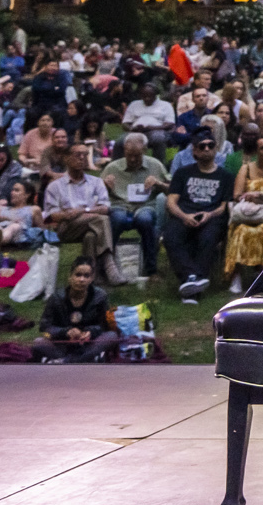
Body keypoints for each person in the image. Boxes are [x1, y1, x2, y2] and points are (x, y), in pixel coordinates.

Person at [164, 135, 232, 299]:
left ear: (216, 149)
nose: (207, 149)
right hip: (184, 214)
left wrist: (209, 214)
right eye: (202, 146)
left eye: (210, 145)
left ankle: (192, 287)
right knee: (170, 237)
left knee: (208, 238)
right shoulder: (182, 173)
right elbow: (171, 202)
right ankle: (192, 277)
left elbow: (224, 207)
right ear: (194, 150)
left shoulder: (226, 176)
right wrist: (184, 216)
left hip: (212, 216)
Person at [42, 141, 115, 274]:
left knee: (91, 236)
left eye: (85, 155)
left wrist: (81, 211)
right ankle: (108, 262)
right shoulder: (55, 186)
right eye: (77, 155)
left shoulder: (96, 182)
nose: (82, 158)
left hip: (89, 224)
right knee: (101, 220)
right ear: (66, 158)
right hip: (67, 228)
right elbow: (52, 215)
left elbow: (105, 208)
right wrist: (67, 215)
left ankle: (91, 273)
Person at [104, 133, 168, 278]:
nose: (132, 159)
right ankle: (108, 266)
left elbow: (172, 190)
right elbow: (97, 194)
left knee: (145, 220)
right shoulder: (113, 167)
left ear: (145, 151)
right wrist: (105, 186)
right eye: (129, 155)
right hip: (120, 205)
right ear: (124, 151)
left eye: (137, 156)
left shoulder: (155, 165)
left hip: (145, 205)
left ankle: (150, 269)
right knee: (117, 219)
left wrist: (159, 183)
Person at [223, 134, 263, 292]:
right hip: (247, 213)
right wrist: (248, 196)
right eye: (262, 148)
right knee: (241, 230)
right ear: (256, 151)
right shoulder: (246, 168)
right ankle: (236, 276)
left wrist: (262, 196)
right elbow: (236, 194)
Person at [36, 257, 122, 362]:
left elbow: (105, 326)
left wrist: (89, 332)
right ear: (70, 277)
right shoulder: (56, 298)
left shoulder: (100, 296)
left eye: (86, 276)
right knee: (38, 342)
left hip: (88, 345)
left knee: (111, 336)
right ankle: (83, 360)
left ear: (91, 278)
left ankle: (67, 361)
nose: (82, 280)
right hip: (63, 345)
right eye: (78, 275)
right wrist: (66, 332)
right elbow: (45, 326)